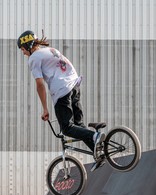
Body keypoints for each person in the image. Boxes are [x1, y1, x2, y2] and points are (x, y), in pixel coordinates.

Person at [17, 30, 105, 171]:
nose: (23, 53)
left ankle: (95, 135)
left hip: (62, 90)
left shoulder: (34, 58)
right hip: (74, 85)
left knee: (67, 128)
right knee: (79, 125)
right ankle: (99, 155)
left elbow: (40, 84)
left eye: (22, 49)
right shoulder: (50, 50)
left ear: (28, 46)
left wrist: (45, 109)